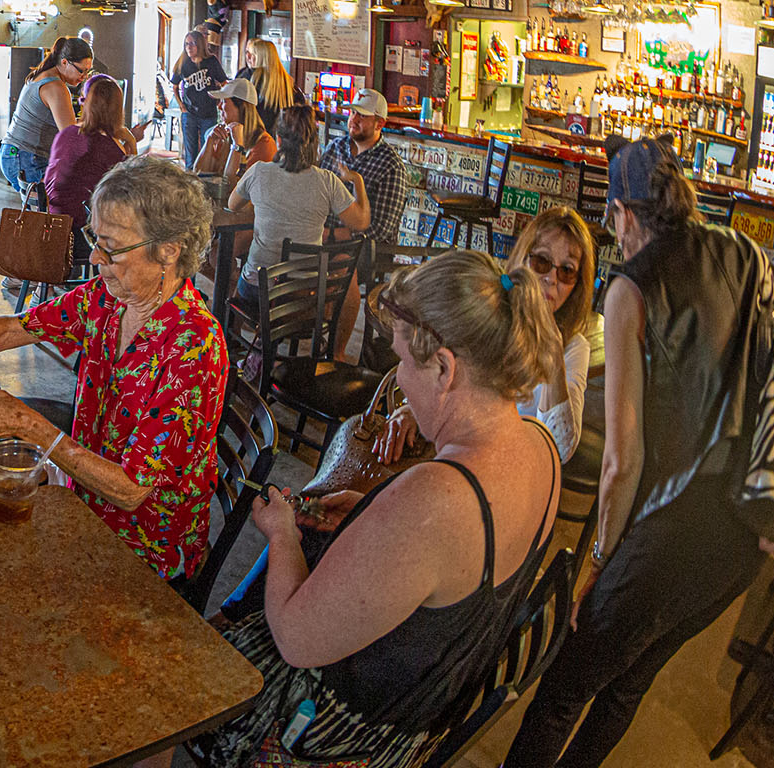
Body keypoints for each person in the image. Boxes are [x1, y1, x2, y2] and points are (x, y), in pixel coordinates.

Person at [504, 142, 774, 768]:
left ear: (621, 213)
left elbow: (622, 461)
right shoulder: (747, 255)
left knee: (565, 687)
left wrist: (597, 561)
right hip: (742, 539)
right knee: (627, 687)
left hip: (666, 531)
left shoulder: (630, 288)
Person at [204, 250, 560, 767]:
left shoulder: (436, 498)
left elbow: (296, 639)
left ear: (444, 368)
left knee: (164, 672)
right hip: (420, 714)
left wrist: (282, 533)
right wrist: (371, 520)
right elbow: (440, 576)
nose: (397, 376)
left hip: (342, 736)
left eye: (401, 361)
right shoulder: (540, 445)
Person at [0, 158, 225, 584]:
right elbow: (18, 327)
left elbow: (131, 491)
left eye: (111, 247)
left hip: (142, 546)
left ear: (168, 250)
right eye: (96, 237)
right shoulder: (109, 299)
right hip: (83, 501)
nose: (95, 256)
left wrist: (28, 427)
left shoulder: (192, 347)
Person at [379, 206, 596, 467]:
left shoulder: (573, 347)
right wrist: (410, 410)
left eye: (567, 271)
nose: (551, 278)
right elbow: (440, 370)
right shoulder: (493, 317)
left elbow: (560, 449)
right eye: (542, 262)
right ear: (523, 259)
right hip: (459, 454)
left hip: (510, 471)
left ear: (578, 283)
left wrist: (552, 352)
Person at [227, 105, 369, 303]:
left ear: (278, 140)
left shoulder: (258, 171)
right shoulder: (327, 181)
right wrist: (357, 181)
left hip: (259, 290)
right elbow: (361, 222)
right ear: (313, 143)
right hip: (303, 294)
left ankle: (235, 328)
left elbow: (232, 205)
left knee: (240, 282)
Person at [1, 35, 93, 197]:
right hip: (26, 158)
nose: (84, 76)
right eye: (82, 70)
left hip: (15, 154)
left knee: (42, 214)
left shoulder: (42, 75)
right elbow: (70, 133)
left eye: (88, 71)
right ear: (65, 62)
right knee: (59, 207)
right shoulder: (55, 86)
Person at [319, 87, 408, 249]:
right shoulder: (335, 147)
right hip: (322, 241)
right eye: (353, 113)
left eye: (362, 115)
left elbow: (381, 230)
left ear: (379, 123)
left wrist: (331, 235)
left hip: (363, 250)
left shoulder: (391, 165)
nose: (354, 119)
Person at [42, 75, 130, 231]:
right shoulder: (110, 148)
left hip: (52, 221)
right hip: (81, 229)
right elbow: (127, 189)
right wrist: (131, 143)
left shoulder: (66, 133)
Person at [193, 78, 277, 193]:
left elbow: (235, 189)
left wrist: (237, 147)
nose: (219, 107)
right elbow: (198, 176)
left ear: (242, 107)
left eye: (224, 101)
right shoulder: (223, 136)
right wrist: (209, 141)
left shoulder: (264, 144)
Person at [169, 30, 227, 164]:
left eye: (193, 44)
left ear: (200, 45)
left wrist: (222, 102)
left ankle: (204, 176)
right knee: (191, 152)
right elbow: (174, 86)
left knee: (209, 149)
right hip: (189, 113)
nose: (189, 47)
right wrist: (181, 105)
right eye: (186, 44)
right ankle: (190, 177)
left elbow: (224, 83)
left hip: (209, 112)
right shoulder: (183, 63)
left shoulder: (211, 61)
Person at [236, 37, 303, 136]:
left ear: (262, 58)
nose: (247, 57)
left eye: (251, 54)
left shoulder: (247, 77)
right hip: (279, 139)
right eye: (247, 53)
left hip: (252, 136)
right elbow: (300, 108)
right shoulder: (288, 83)